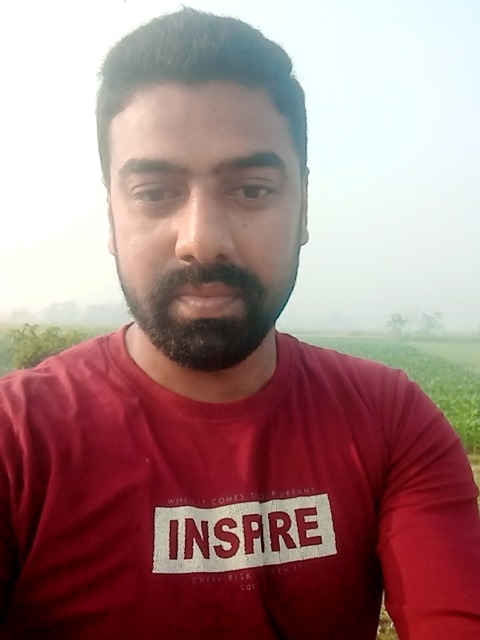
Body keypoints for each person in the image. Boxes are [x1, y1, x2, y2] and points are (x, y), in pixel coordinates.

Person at [0, 8, 479, 639]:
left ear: (303, 207)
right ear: (112, 215)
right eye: (154, 193)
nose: (202, 241)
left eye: (251, 189)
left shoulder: (390, 422)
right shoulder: (18, 442)